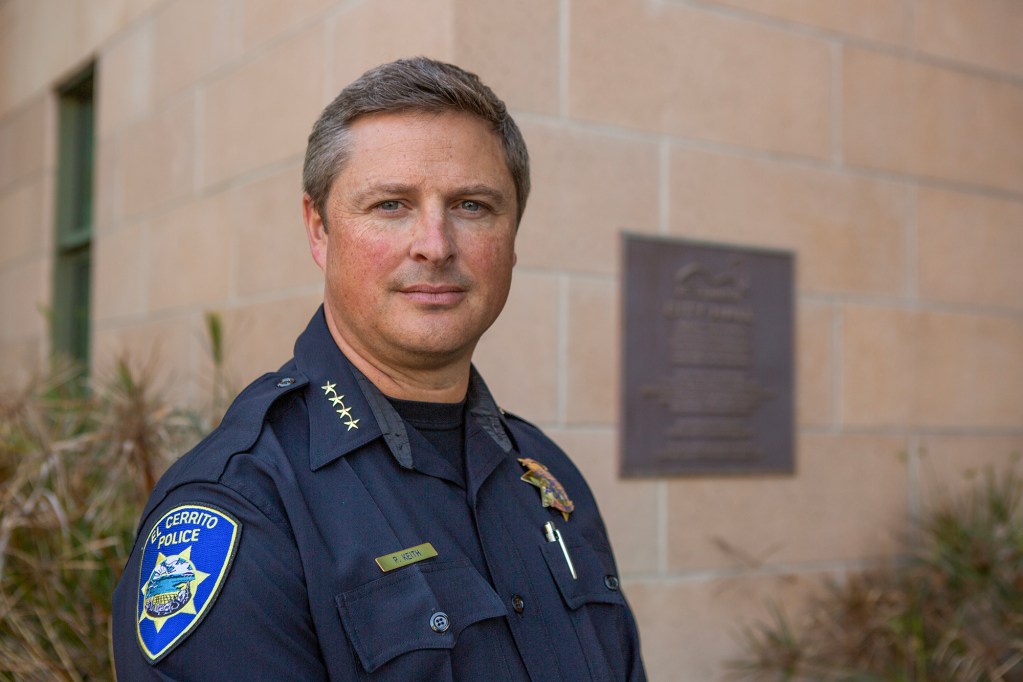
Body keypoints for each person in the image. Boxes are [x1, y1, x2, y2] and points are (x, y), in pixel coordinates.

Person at [112, 57, 646, 681]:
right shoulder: (245, 504)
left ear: (513, 237)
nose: (436, 244)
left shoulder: (548, 479)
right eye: (392, 205)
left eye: (473, 206)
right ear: (319, 230)